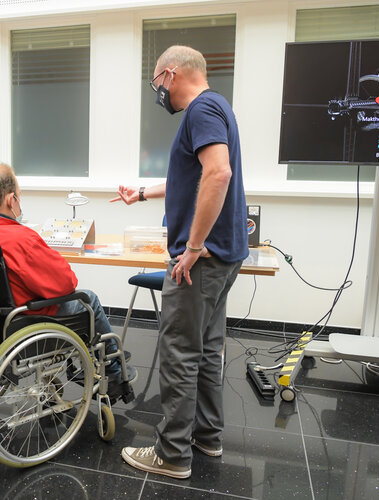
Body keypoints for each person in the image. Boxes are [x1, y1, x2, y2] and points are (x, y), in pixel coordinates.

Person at [113, 45, 248, 479]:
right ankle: (207, 437)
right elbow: (190, 177)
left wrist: (191, 246)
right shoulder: (218, 105)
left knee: (178, 353)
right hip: (225, 255)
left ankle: (172, 454)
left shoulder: (200, 111)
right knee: (207, 349)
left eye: (157, 83)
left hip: (202, 259)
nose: (158, 93)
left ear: (170, 74)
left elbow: (218, 173)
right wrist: (143, 193)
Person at [0, 162, 136, 389]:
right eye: (19, 197)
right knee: (88, 299)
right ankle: (113, 369)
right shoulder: (19, 238)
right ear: (10, 200)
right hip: (25, 322)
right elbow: (66, 283)